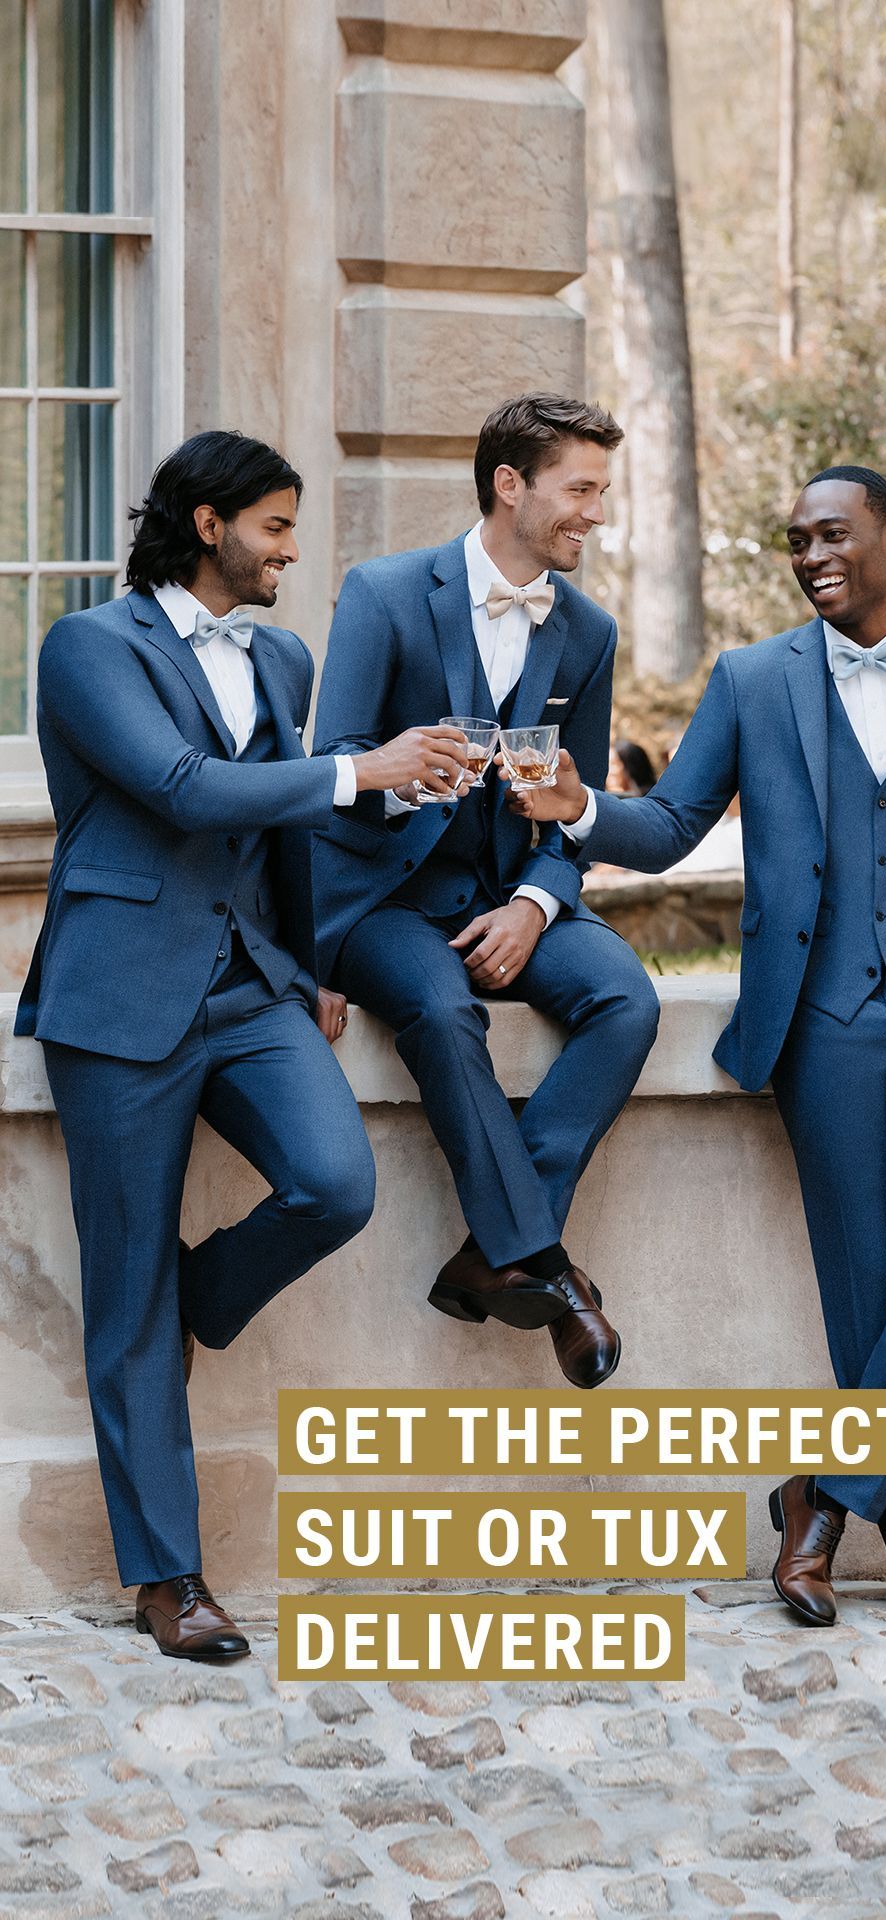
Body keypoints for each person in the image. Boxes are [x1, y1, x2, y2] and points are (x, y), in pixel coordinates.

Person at [508, 464, 886, 1636]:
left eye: (834, 535)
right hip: (822, 1019)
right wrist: (580, 809)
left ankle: (824, 1494)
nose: (813, 556)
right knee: (862, 1288)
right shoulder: (754, 680)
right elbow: (672, 824)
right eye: (797, 541)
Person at [16, 430, 469, 1660]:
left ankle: (191, 1298)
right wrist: (357, 770)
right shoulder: (88, 647)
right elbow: (182, 788)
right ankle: (171, 1579)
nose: (291, 550)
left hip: (253, 991)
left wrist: (310, 964)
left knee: (336, 1183)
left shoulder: (282, 655)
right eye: (275, 526)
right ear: (208, 525)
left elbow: (281, 834)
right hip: (120, 997)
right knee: (124, 1294)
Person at [312, 394, 660, 1389]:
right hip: (382, 898)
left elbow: (568, 810)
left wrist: (535, 906)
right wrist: (402, 774)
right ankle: (552, 1273)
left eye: (602, 491)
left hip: (510, 893)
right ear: (510, 484)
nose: (595, 513)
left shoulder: (588, 632)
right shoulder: (383, 594)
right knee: (440, 1006)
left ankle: (495, 1250)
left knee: (626, 998)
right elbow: (331, 767)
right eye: (580, 490)